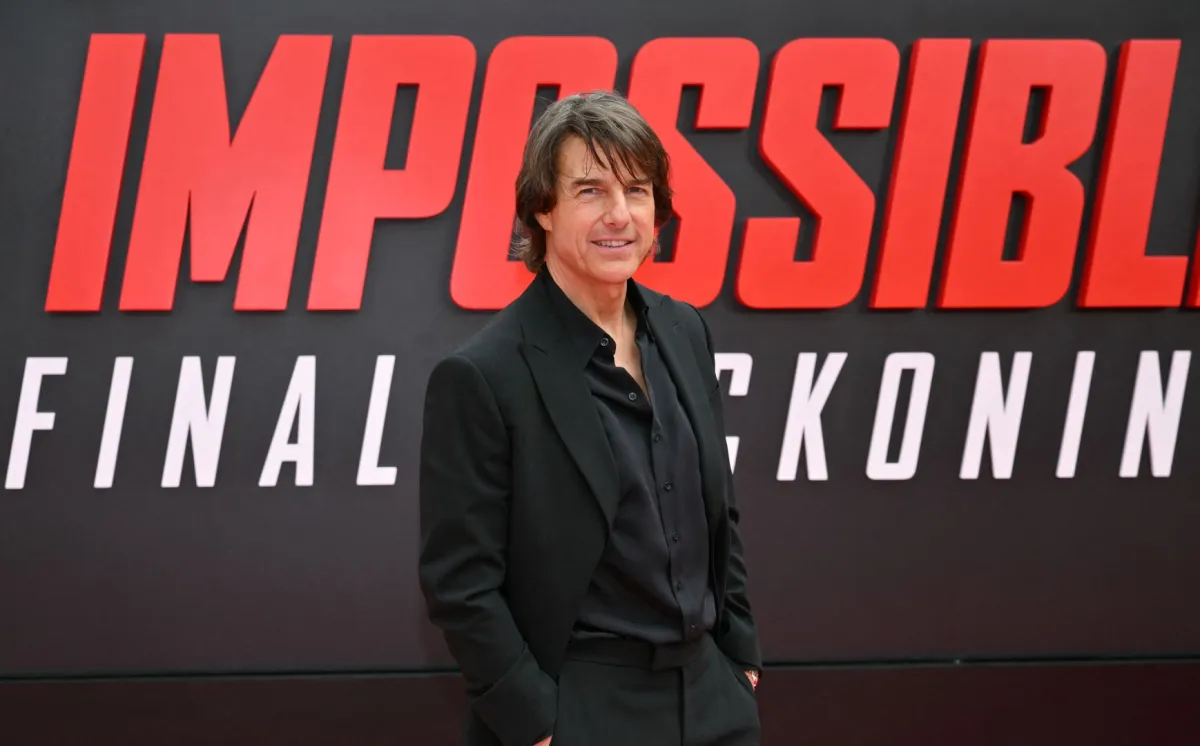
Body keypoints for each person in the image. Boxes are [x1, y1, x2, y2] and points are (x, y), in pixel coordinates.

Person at [418, 89, 761, 746]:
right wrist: (539, 725)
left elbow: (719, 513)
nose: (619, 215)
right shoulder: (484, 376)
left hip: (713, 698)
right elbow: (460, 583)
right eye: (589, 191)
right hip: (583, 706)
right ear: (541, 208)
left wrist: (739, 660)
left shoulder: (685, 331)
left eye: (636, 190)